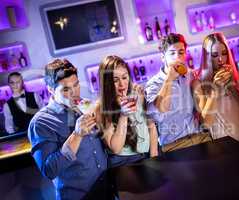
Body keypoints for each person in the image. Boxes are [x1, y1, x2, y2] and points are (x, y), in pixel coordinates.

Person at [28, 59, 114, 200]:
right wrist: (77, 135)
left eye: (76, 85)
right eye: (66, 89)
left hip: (107, 191)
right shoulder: (40, 123)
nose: (75, 93)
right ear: (50, 90)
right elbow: (49, 170)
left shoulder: (86, 105)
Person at [145, 33, 211, 152]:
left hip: (199, 138)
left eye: (181, 52)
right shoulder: (153, 84)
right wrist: (169, 79)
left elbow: (201, 110)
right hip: (174, 146)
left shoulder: (190, 75)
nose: (177, 57)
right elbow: (160, 109)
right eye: (172, 53)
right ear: (163, 57)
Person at [98, 55, 158, 159]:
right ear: (107, 83)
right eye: (115, 80)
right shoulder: (101, 108)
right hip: (124, 162)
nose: (122, 84)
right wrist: (123, 115)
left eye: (124, 77)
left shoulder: (138, 95)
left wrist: (154, 157)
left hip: (147, 155)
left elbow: (151, 127)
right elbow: (115, 148)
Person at [192, 32, 239, 142]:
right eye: (215, 55)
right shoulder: (198, 83)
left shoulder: (237, 77)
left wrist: (232, 83)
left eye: (224, 53)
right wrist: (215, 89)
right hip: (223, 148)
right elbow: (205, 124)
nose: (221, 59)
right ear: (206, 57)